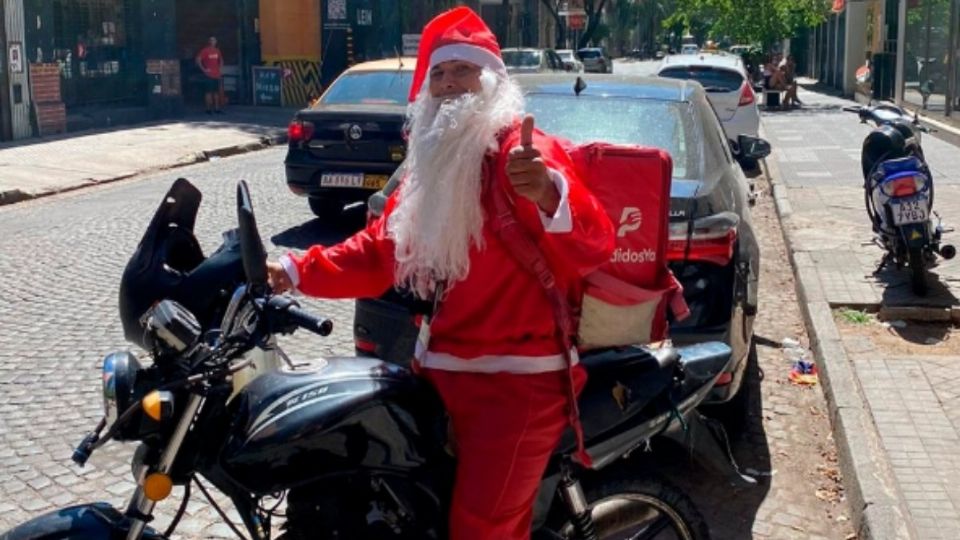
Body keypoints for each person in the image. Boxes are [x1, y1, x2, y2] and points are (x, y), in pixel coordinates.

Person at [266, 7, 614, 539]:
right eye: (440, 73)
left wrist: (547, 193)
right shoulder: (430, 170)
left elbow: (593, 244)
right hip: (437, 373)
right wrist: (293, 267)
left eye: (463, 71)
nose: (450, 84)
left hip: (517, 386)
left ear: (493, 82)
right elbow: (379, 253)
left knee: (480, 530)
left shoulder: (521, 156)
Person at [195, 36, 224, 114]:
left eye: (214, 40)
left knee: (216, 92)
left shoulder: (217, 51)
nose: (213, 42)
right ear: (209, 42)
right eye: (211, 40)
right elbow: (198, 60)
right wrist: (204, 69)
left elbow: (221, 60)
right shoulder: (205, 51)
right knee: (208, 92)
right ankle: (208, 109)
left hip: (216, 74)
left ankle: (217, 109)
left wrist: (220, 68)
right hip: (208, 75)